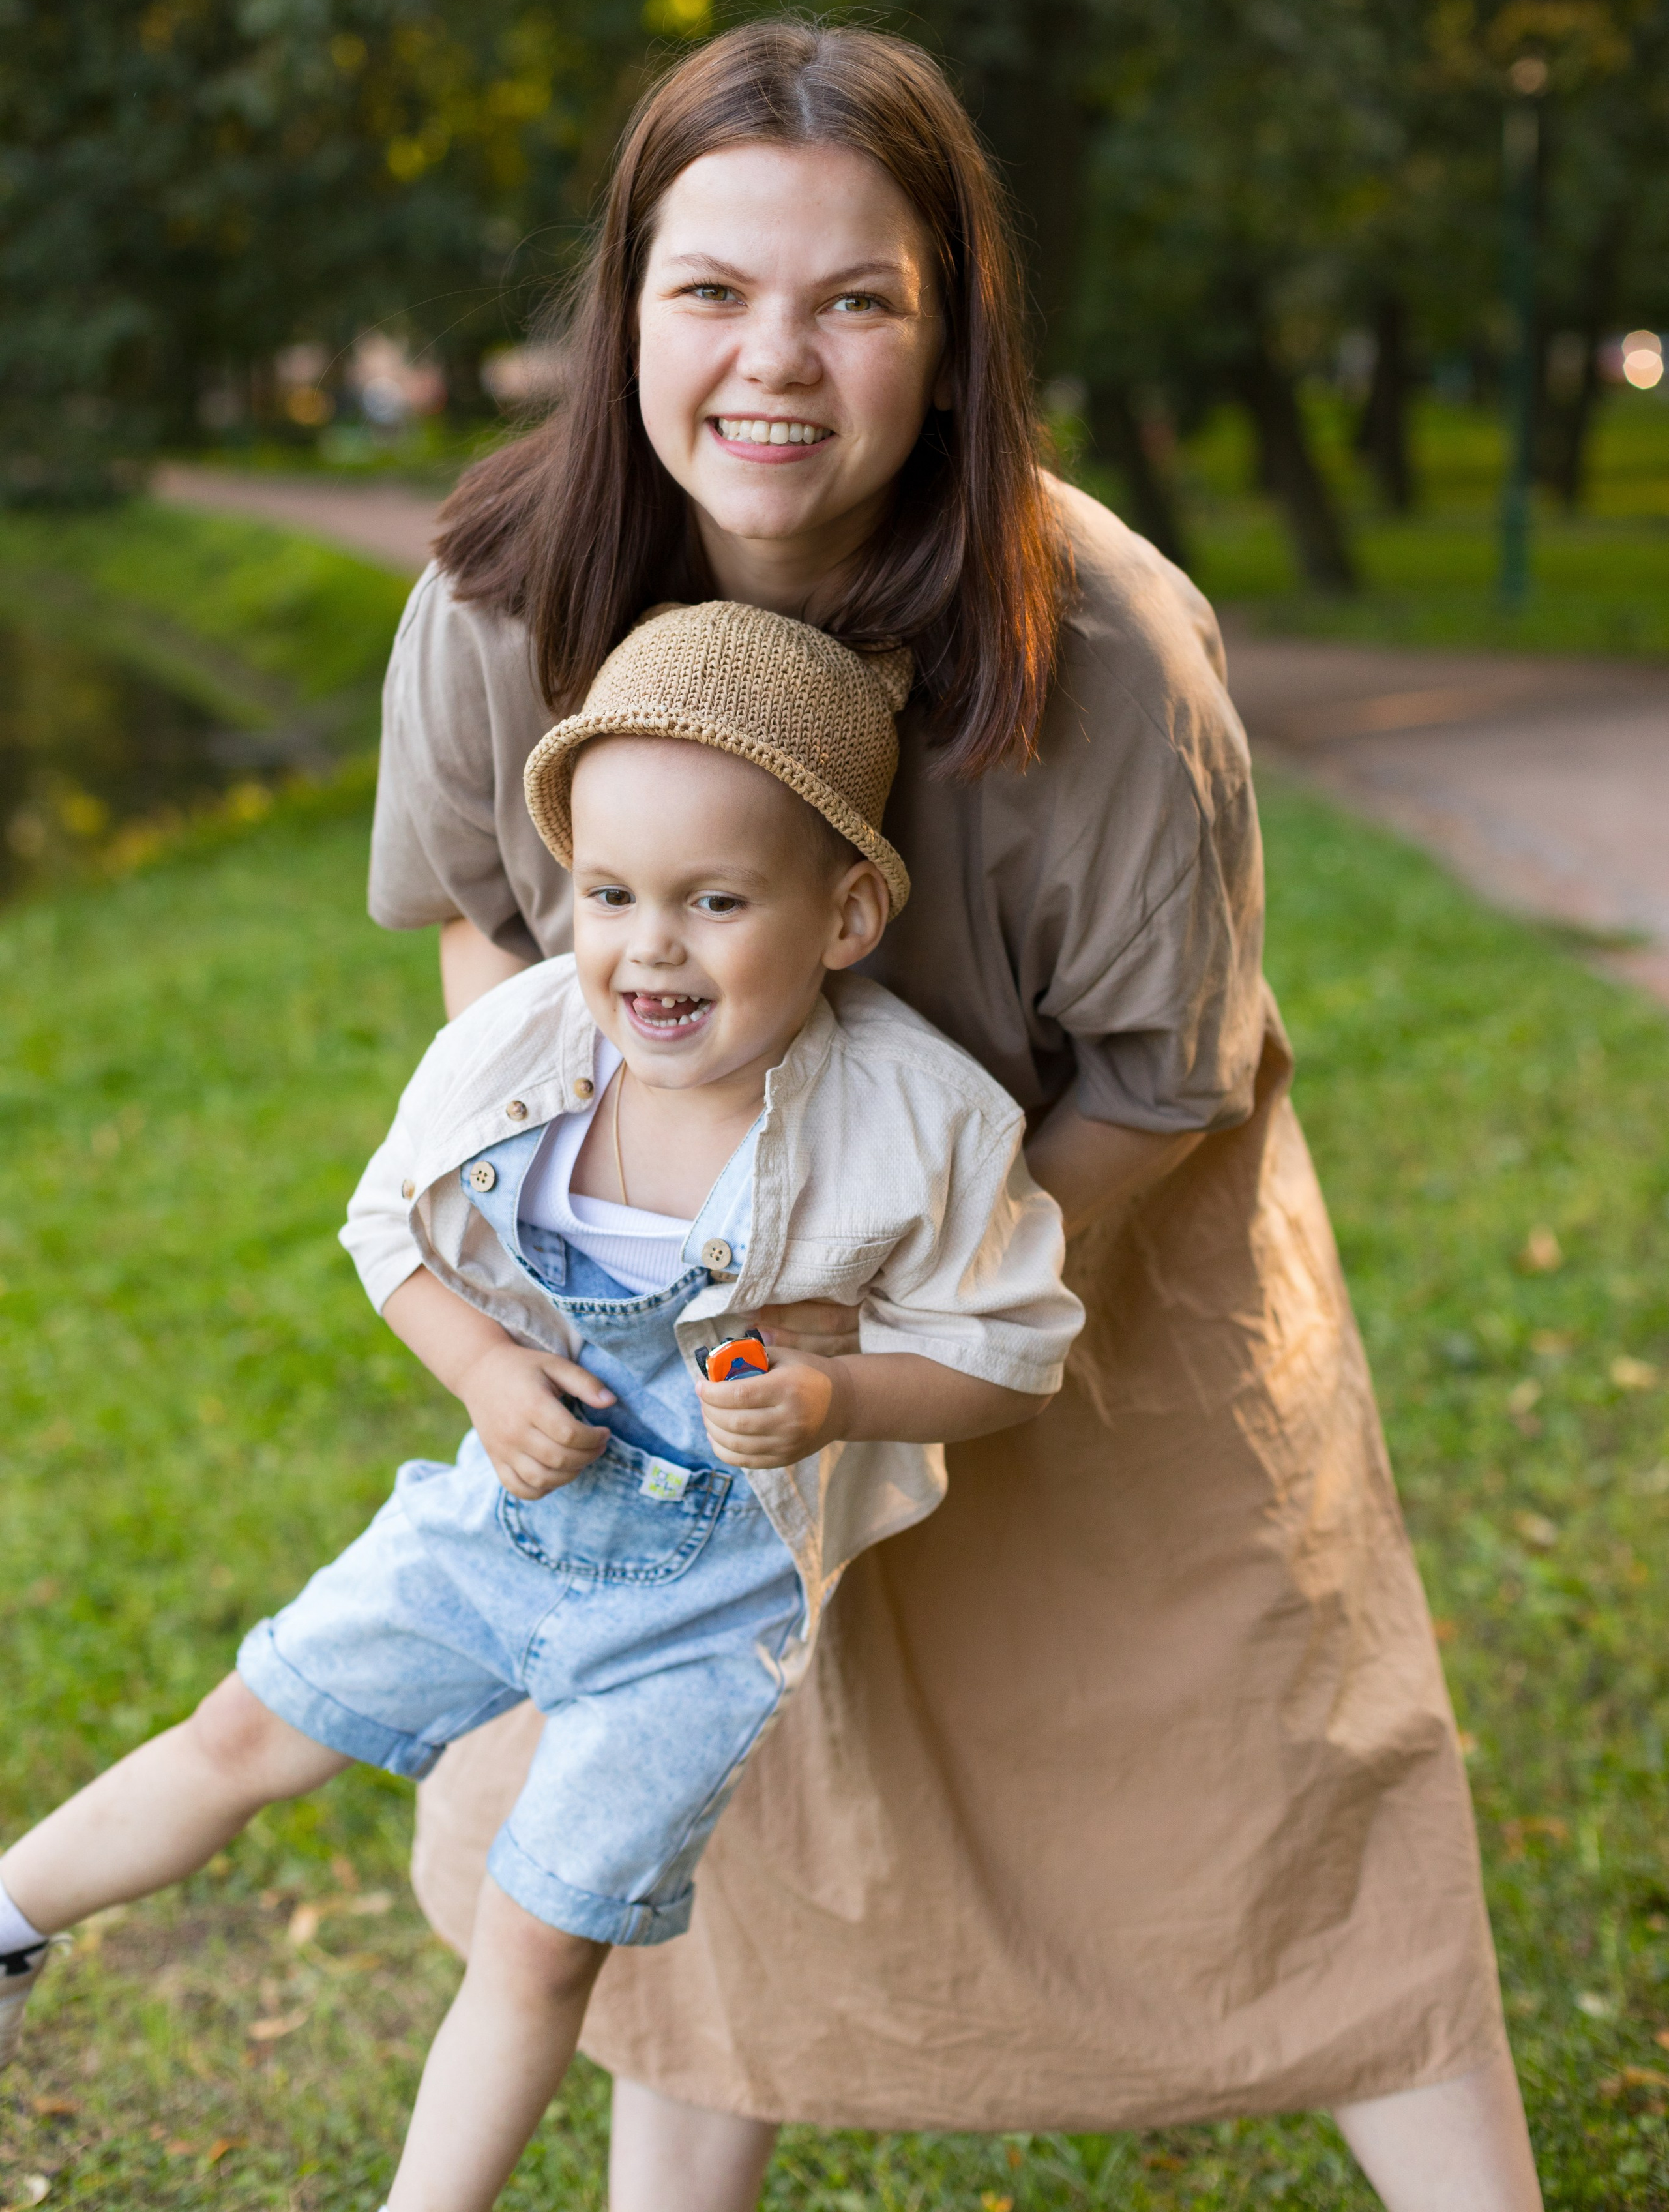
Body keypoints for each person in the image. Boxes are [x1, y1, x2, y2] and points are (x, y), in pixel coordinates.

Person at [368, 21, 1544, 2210]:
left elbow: (1167, 1077)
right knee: (710, 1777)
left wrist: (925, 1331)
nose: (772, 365)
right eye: (709, 290)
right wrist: (557, 1233)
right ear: (624, 299)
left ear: (956, 327)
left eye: (855, 301)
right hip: (698, 1309)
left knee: (1283, 1783)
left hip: (1080, 1259)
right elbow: (476, 929)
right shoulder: (500, 596)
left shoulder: (1101, 638)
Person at [0, 603, 1081, 2212]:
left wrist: (840, 1393)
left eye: (715, 902)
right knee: (247, 1727)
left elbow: (1012, 1352)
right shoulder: (527, 1041)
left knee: (536, 1937)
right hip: (501, 1518)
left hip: (703, 1621)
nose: (649, 948)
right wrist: (488, 1371)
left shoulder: (914, 1116)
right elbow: (387, 1228)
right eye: (611, 894)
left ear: (846, 911)